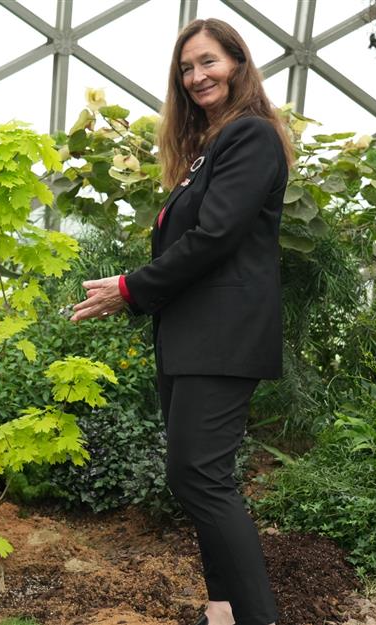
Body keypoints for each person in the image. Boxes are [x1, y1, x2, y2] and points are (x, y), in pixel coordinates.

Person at [71, 18, 292, 625]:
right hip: (194, 337)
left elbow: (215, 236)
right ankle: (223, 613)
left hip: (221, 337)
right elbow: (196, 239)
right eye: (186, 69)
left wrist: (130, 288)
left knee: (200, 478)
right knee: (197, 477)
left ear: (239, 64)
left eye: (208, 62)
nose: (197, 77)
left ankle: (254, 619)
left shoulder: (251, 137)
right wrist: (138, 291)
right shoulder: (210, 148)